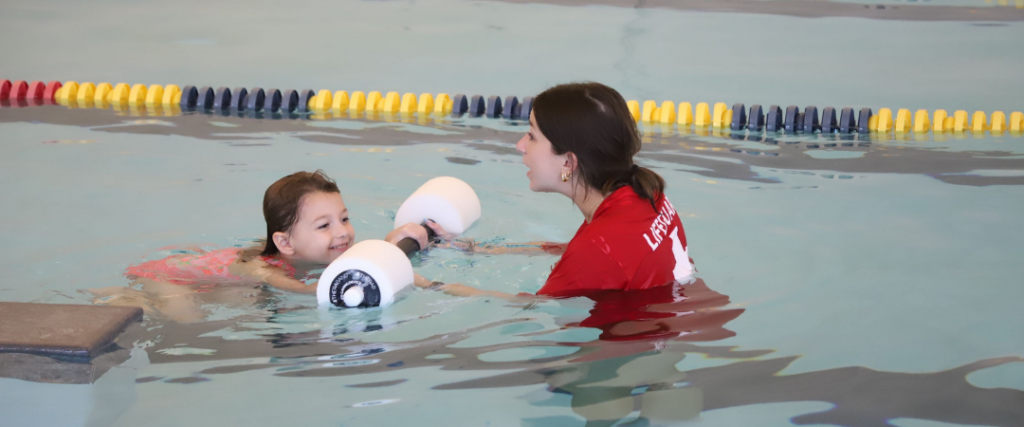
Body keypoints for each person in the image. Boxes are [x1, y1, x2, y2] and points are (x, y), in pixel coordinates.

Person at [417, 82, 694, 298]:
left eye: (533, 136)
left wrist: (425, 285)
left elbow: (528, 306)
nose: (520, 145)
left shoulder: (598, 247)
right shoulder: (643, 193)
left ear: (568, 162)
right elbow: (574, 252)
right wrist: (464, 247)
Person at [91, 170, 441, 322]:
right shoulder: (260, 267)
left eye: (344, 218)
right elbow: (309, 290)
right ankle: (132, 301)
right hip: (168, 278)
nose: (342, 232)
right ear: (285, 242)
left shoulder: (328, 248)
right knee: (190, 323)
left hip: (209, 276)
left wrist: (396, 249)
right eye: (324, 225)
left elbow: (370, 264)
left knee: (235, 299)